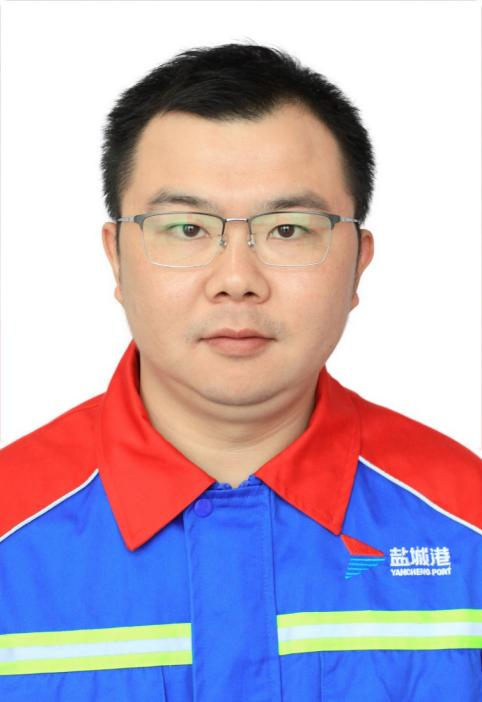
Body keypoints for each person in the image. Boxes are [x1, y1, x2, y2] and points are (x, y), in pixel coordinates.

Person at [0, 42, 480, 702]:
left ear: (358, 264)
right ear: (117, 258)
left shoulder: (466, 522)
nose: (236, 279)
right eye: (186, 228)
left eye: (288, 230)